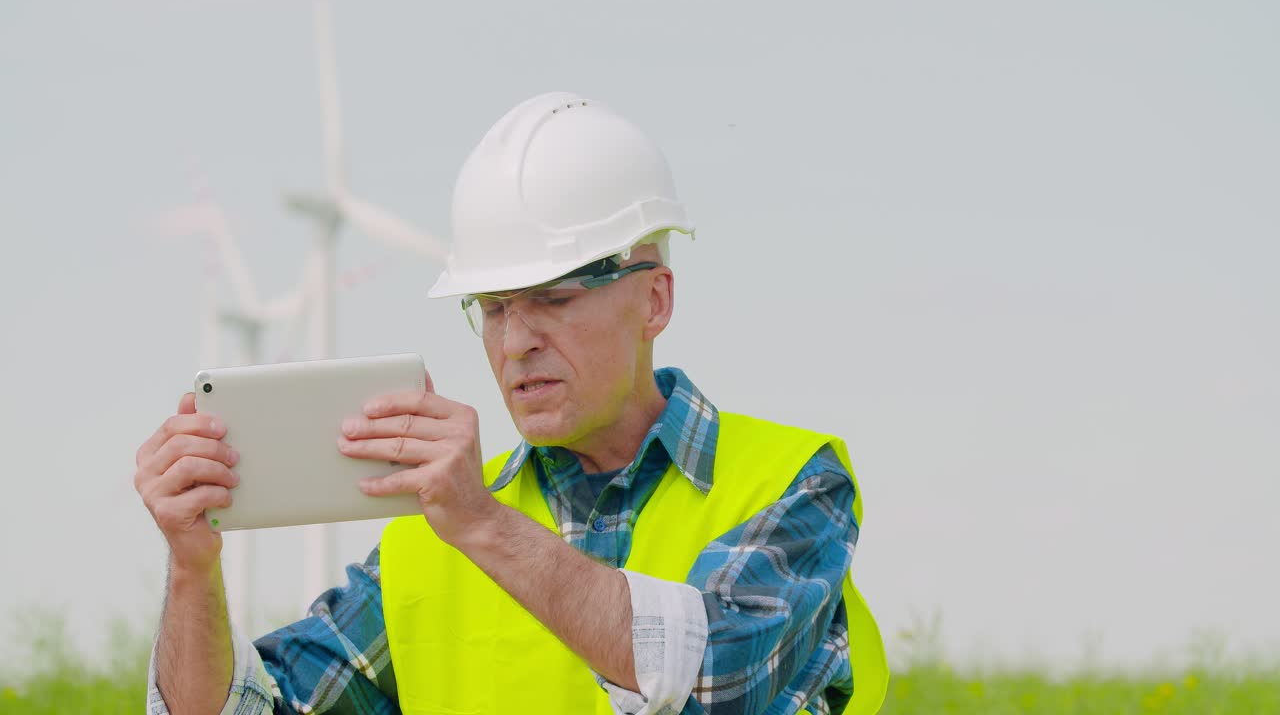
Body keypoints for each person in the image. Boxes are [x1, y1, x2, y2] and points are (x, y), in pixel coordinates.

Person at [136, 91, 888, 715]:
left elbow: (719, 683)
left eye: (552, 299)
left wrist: (483, 525)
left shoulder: (794, 483)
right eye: (491, 309)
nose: (515, 341)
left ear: (654, 299)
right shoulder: (423, 545)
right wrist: (192, 567)